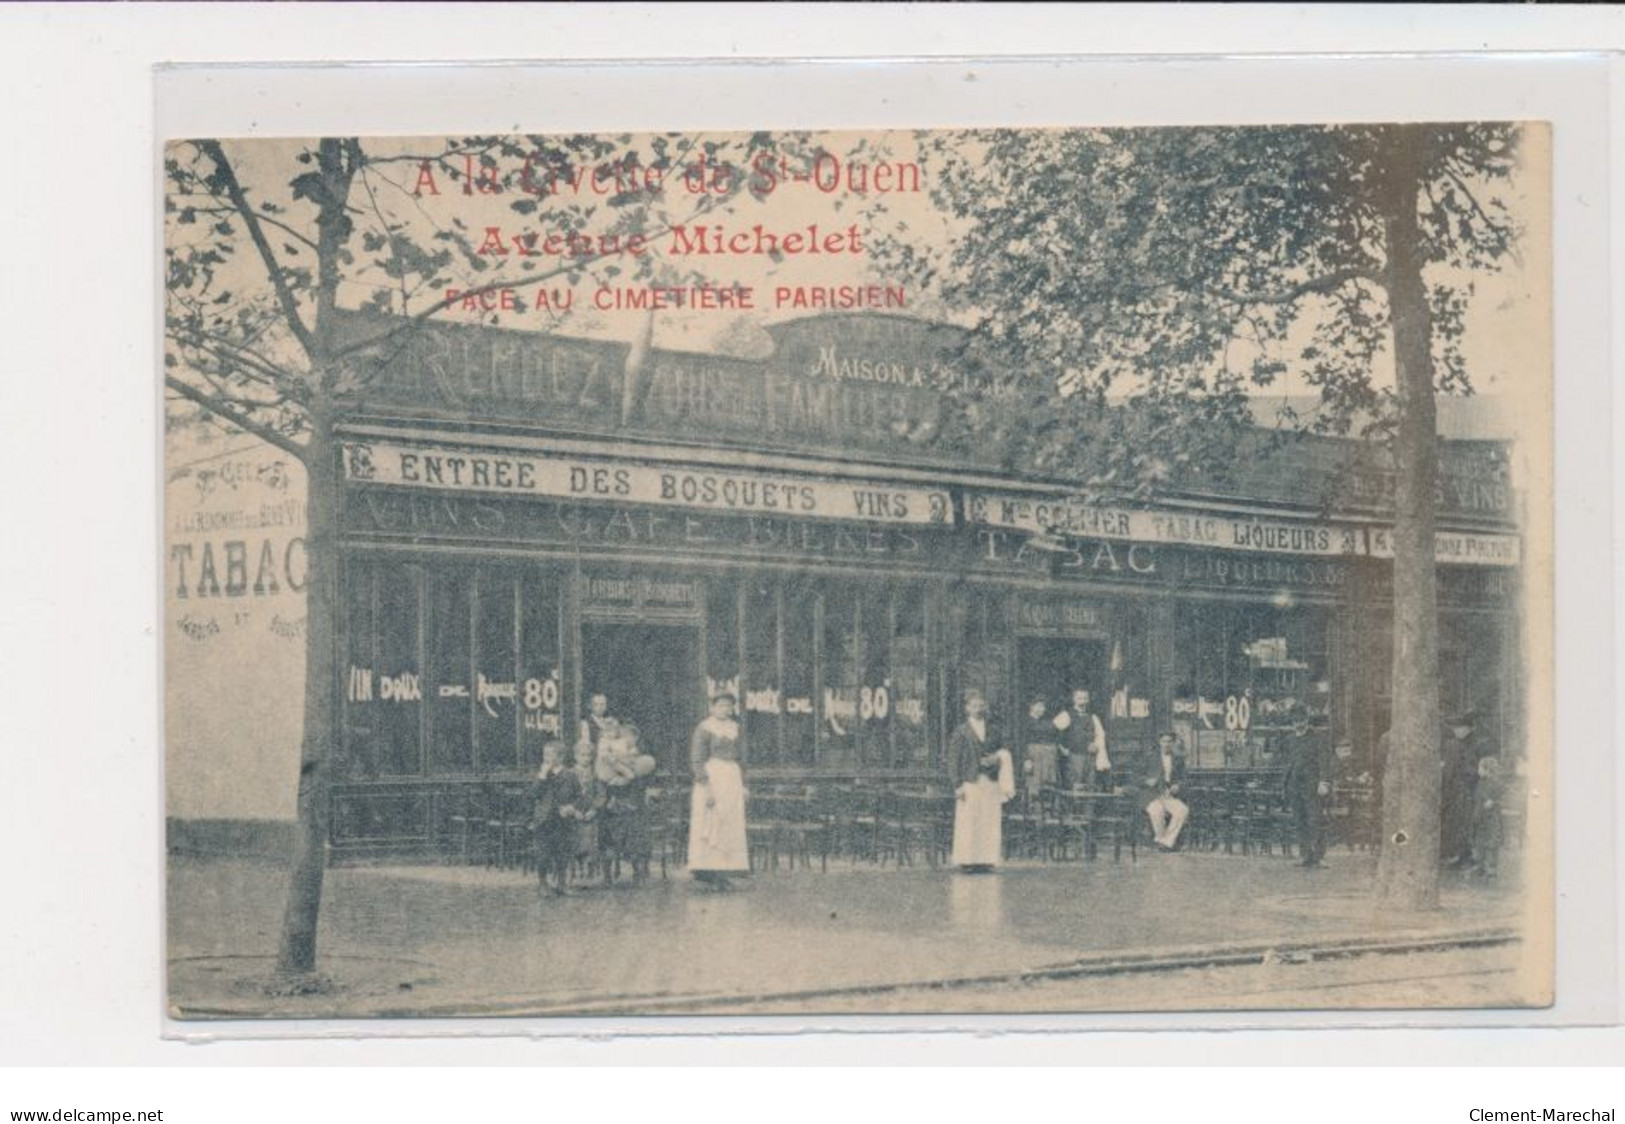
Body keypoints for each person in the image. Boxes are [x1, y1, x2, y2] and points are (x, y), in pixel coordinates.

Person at [688, 693, 748, 890]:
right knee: (712, 822)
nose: (725, 709)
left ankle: (725, 873)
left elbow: (742, 758)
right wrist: (706, 786)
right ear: (712, 707)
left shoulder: (735, 727)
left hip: (732, 778)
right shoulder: (705, 728)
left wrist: (744, 784)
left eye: (729, 706)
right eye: (721, 705)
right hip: (713, 778)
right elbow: (697, 759)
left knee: (730, 825)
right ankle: (709, 873)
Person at [950, 692, 1014, 872]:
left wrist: (997, 758)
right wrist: (957, 784)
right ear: (967, 708)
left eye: (981, 706)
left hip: (990, 781)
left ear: (985, 707)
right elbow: (953, 760)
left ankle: (987, 860)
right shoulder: (961, 731)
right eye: (974, 706)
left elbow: (1006, 747)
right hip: (970, 781)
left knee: (989, 819)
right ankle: (967, 861)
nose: (978, 709)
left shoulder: (994, 729)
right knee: (969, 821)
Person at [597, 720, 658, 885]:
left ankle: (637, 871)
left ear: (636, 738)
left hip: (634, 801)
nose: (626, 740)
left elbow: (643, 778)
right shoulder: (613, 752)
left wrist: (628, 779)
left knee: (633, 829)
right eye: (622, 737)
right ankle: (607, 873)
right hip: (613, 801)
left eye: (629, 737)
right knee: (608, 828)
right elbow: (605, 774)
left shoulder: (641, 758)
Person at [529, 740, 585, 897]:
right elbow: (534, 794)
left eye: (549, 754)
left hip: (563, 819)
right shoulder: (541, 774)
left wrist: (572, 807)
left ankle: (562, 883)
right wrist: (542, 776)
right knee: (543, 853)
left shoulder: (571, 775)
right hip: (544, 820)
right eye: (544, 754)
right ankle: (543, 883)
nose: (545, 757)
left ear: (560, 757)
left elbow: (580, 797)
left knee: (563, 852)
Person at [1282, 718, 1330, 867]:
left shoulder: (1317, 738)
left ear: (1306, 720)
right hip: (1294, 786)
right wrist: (1285, 784)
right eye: (1295, 720)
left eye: (1300, 718)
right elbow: (1286, 761)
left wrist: (1323, 781)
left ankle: (1319, 856)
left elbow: (1324, 760)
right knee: (1299, 820)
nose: (1298, 723)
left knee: (1315, 819)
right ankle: (1305, 855)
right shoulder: (1289, 739)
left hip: (1312, 785)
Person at [1440, 711, 1480, 868]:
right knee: (1463, 823)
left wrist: (1445, 783)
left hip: (1458, 790)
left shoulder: (1454, 745)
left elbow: (1449, 771)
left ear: (1468, 729)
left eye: (1459, 727)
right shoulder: (1471, 743)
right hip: (1468, 789)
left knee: (1457, 823)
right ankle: (1462, 855)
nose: (1456, 731)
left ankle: (1460, 856)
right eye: (1455, 728)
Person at [1054, 687, 1111, 790]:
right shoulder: (1067, 715)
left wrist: (1096, 746)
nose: (1083, 701)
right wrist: (1062, 748)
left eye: (1085, 698)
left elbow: (1100, 735)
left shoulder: (1092, 717)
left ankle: (1088, 806)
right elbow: (1053, 733)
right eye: (1079, 698)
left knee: (1091, 785)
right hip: (1075, 756)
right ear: (1074, 699)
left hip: (1090, 757)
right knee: (1076, 785)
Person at [1142, 731, 1190, 851]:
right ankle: (1162, 840)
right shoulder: (1150, 757)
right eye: (1164, 741)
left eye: (1169, 741)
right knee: (1156, 811)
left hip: (1169, 795)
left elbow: (1183, 778)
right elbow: (1136, 776)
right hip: (1152, 794)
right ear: (1159, 742)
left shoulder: (1178, 760)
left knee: (1182, 810)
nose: (1166, 744)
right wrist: (1147, 781)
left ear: (1173, 743)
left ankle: (1165, 842)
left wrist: (1178, 785)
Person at [1470, 755, 1506, 879]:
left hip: (1492, 818)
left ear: (1488, 770)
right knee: (1479, 842)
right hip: (1480, 816)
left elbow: (1501, 798)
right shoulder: (1480, 783)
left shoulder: (1497, 784)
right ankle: (1480, 865)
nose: (1478, 771)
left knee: (1492, 843)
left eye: (1480, 768)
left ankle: (1492, 868)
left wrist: (1494, 802)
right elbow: (1477, 798)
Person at [1021, 696, 1060, 800]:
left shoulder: (1046, 722)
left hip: (1047, 759)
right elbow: (1022, 742)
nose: (1043, 709)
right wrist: (1026, 759)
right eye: (1039, 706)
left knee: (1047, 785)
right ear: (1031, 706)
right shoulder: (1025, 722)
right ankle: (1033, 809)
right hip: (1033, 758)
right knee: (1033, 784)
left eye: (1043, 706)